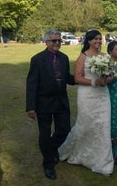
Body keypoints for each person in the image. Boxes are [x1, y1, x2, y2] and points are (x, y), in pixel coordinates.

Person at [58, 29, 114, 176]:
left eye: (99, 39)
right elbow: (77, 78)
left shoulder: (105, 56)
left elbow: (111, 75)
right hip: (87, 95)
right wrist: (95, 81)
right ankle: (77, 153)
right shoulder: (83, 57)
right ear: (88, 41)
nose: (97, 41)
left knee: (103, 125)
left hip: (103, 96)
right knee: (85, 124)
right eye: (94, 39)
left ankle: (103, 161)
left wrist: (107, 79)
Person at [26, 30, 75, 180]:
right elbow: (32, 84)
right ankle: (48, 164)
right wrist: (31, 107)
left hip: (61, 101)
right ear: (46, 42)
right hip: (44, 103)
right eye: (54, 41)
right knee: (45, 134)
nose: (57, 43)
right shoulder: (37, 59)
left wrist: (86, 76)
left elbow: (68, 78)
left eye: (59, 41)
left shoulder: (64, 58)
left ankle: (51, 149)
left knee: (64, 130)